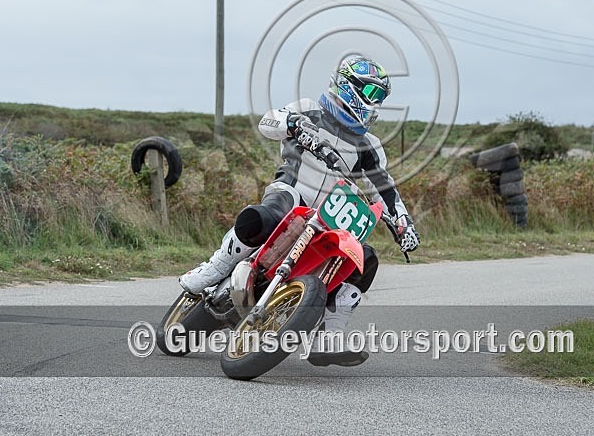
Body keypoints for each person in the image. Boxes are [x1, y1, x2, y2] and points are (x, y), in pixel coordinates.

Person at [179, 55, 420, 366]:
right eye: (371, 95)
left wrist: (403, 222)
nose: (374, 105)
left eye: (379, 99)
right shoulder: (310, 109)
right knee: (266, 215)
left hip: (329, 216)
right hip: (292, 191)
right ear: (349, 87)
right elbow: (269, 121)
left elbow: (384, 187)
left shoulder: (369, 146)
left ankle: (329, 335)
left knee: (365, 258)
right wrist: (292, 124)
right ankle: (213, 268)